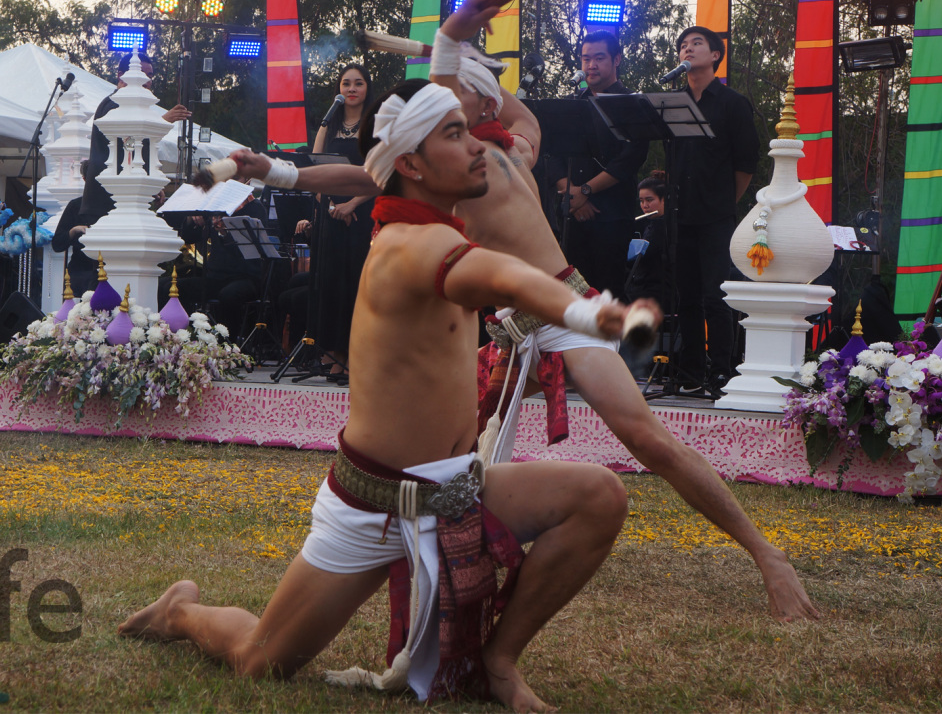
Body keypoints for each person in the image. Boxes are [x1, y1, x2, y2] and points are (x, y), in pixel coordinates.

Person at [224, 0, 817, 625]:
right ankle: (434, 575)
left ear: (481, 104)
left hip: (563, 310)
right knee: (451, 455)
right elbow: (369, 174)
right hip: (508, 327)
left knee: (648, 439)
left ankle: (766, 555)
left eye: (458, 97)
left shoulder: (505, 153)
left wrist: (459, 52)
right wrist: (279, 173)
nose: (443, 105)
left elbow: (481, 109)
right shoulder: (467, 162)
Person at [121, 69, 641, 711]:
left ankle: (498, 662)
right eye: (455, 134)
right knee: (260, 661)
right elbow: (504, 278)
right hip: (371, 503)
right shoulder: (411, 246)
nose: (477, 144)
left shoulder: (436, 214)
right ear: (414, 166)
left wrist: (279, 172)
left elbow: (367, 173)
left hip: (456, 490)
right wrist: (587, 311)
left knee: (598, 497)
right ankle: (179, 611)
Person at [667, 26, 761, 392]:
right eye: (682, 45)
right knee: (686, 296)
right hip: (680, 212)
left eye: (696, 43)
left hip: (716, 214)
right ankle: (690, 371)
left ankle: (722, 369)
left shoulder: (732, 103)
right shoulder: (673, 101)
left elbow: (746, 161)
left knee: (715, 294)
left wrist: (724, 201)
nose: (687, 49)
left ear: (715, 55)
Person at [549, 31, 647, 298]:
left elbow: (631, 158)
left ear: (616, 59)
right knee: (570, 295)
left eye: (599, 58)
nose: (591, 65)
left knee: (607, 293)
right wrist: (572, 194)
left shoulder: (632, 103)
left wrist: (586, 191)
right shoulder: (572, 103)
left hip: (612, 214)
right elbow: (552, 154)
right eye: (586, 59)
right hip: (570, 214)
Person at [309, 63, 377, 379]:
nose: (351, 89)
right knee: (331, 285)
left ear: (367, 88)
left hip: (362, 215)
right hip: (331, 215)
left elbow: (381, 173)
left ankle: (353, 356)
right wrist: (332, 206)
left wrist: (351, 205)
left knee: (355, 285)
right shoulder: (330, 123)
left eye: (358, 83)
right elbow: (314, 167)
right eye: (346, 83)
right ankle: (332, 351)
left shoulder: (375, 125)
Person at [157, 195, 268, 339]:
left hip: (246, 276)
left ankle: (228, 343)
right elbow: (189, 237)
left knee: (229, 295)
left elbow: (252, 250)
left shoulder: (254, 208)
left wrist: (225, 233)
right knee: (170, 287)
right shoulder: (216, 204)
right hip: (215, 276)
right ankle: (177, 337)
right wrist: (193, 219)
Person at [90, 52, 191, 174]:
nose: (146, 81)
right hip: (114, 182)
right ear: (121, 76)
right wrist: (161, 122)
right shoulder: (114, 105)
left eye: (149, 76)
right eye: (141, 74)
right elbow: (130, 143)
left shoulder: (131, 105)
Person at [50, 159, 116, 297]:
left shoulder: (116, 205)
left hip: (111, 269)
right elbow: (57, 243)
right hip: (81, 272)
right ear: (85, 179)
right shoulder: (75, 205)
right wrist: (73, 231)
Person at [625, 174, 672, 309]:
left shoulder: (663, 226)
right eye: (641, 201)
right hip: (643, 288)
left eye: (649, 200)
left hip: (656, 292)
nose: (645, 206)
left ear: (664, 200)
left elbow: (645, 255)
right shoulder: (648, 224)